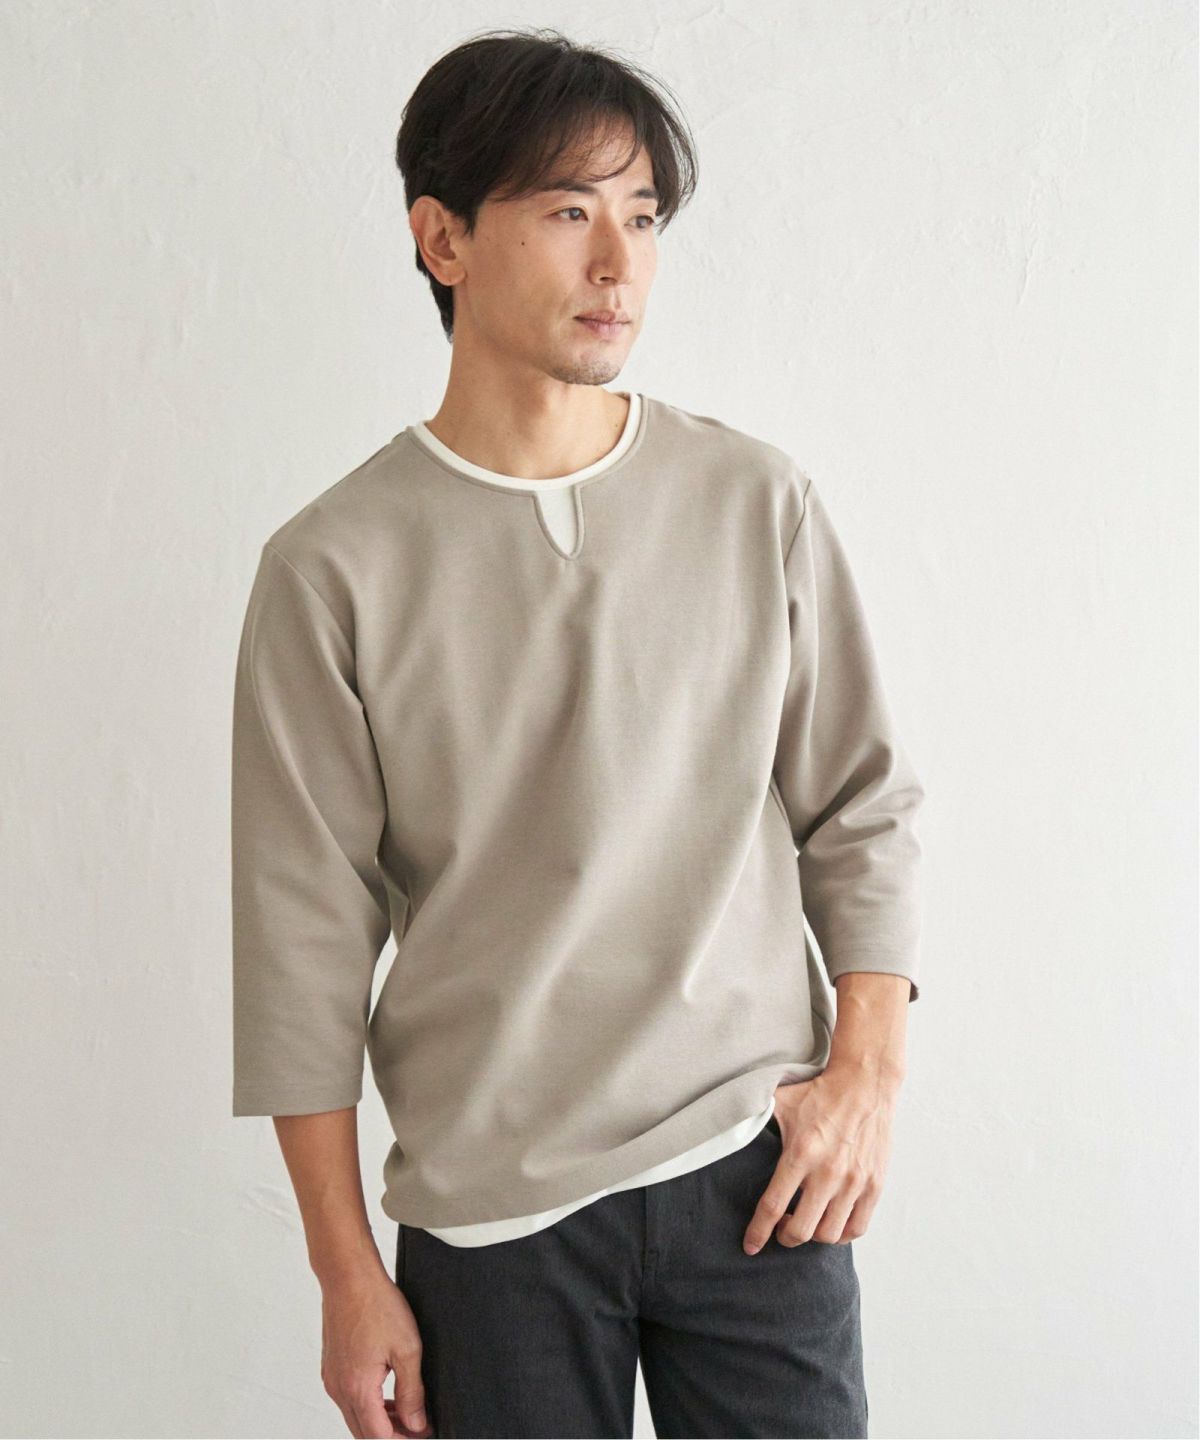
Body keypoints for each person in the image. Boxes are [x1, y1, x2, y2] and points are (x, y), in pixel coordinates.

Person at [231, 26, 926, 1440]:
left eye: (643, 218)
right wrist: (345, 1273)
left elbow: (861, 802)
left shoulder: (754, 500)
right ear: (444, 238)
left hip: (756, 1175)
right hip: (492, 1222)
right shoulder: (331, 567)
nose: (619, 264)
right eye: (567, 213)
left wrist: (865, 1075)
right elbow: (300, 944)